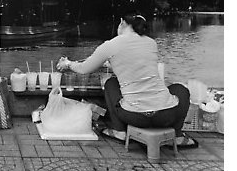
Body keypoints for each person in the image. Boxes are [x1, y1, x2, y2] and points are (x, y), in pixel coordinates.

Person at [56, 13, 197, 149]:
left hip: (134, 116)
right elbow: (136, 65)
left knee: (111, 83)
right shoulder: (151, 43)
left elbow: (84, 68)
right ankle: (177, 136)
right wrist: (110, 64)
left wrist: (67, 64)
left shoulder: (110, 45)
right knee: (181, 89)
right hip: (166, 115)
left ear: (122, 22)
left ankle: (119, 132)